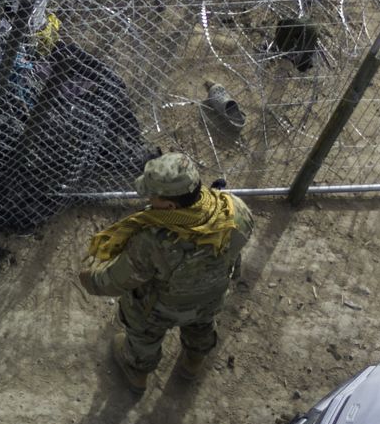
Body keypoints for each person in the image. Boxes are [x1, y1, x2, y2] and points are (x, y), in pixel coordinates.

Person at [79, 152, 255, 392]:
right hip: (211, 298)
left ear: (171, 206)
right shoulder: (234, 210)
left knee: (142, 332)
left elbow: (117, 281)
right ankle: (193, 362)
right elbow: (236, 253)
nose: (149, 200)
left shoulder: (152, 239)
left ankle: (137, 372)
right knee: (201, 326)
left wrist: (91, 279)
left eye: (153, 196)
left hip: (160, 309)